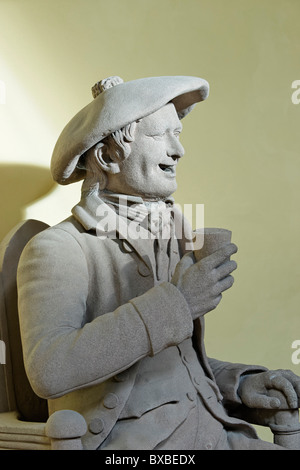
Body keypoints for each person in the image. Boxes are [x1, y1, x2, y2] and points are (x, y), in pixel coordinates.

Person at [17, 75, 300, 450]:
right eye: (159, 136)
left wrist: (240, 383)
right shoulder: (58, 247)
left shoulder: (173, 235)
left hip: (217, 433)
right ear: (107, 156)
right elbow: (49, 370)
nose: (179, 150)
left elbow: (171, 367)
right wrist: (178, 304)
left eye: (177, 134)